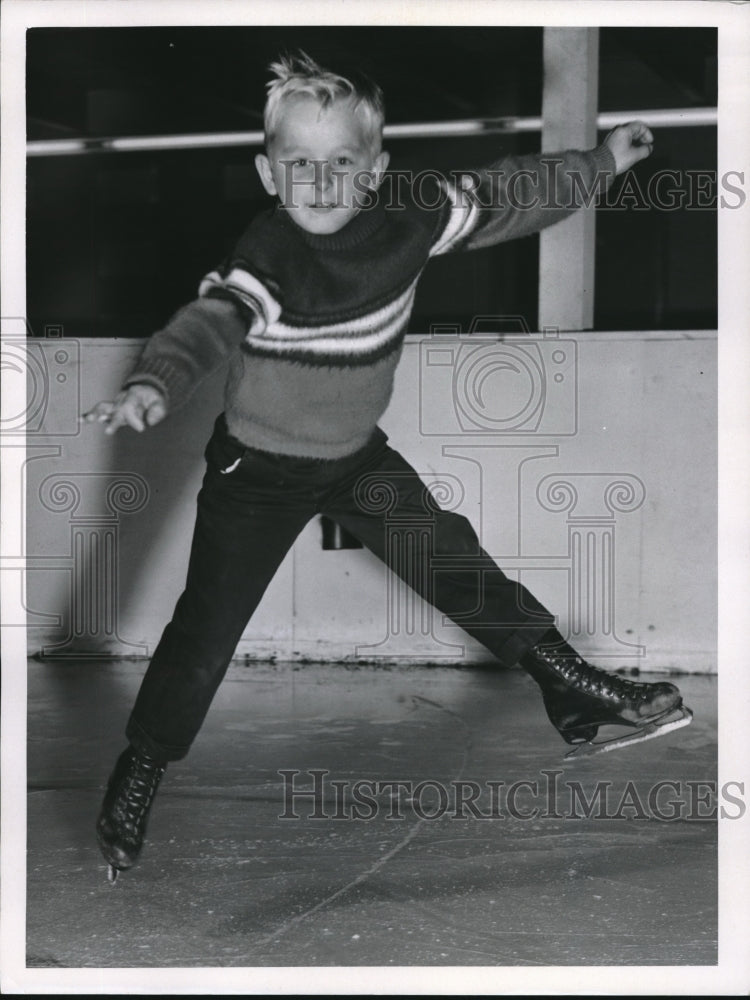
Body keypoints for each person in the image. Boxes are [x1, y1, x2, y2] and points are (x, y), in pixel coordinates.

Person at [84, 51, 691, 882]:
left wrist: (602, 162)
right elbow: (210, 321)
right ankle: (142, 767)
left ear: (377, 172)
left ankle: (566, 680)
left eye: (343, 162)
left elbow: (512, 194)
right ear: (268, 172)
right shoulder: (268, 256)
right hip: (256, 472)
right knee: (205, 634)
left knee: (452, 557)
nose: (322, 181)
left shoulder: (414, 215)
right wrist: (157, 380)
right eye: (299, 163)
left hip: (352, 461)